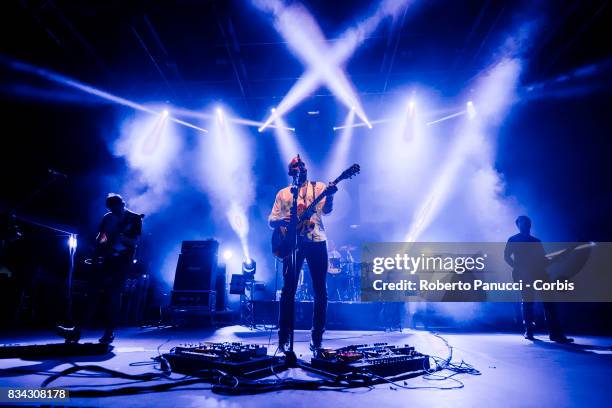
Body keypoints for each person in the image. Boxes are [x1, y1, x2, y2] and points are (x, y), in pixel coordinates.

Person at [269, 155, 337, 352]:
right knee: (288, 289)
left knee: (320, 291)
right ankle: (284, 337)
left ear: (306, 169)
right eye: (296, 166)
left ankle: (317, 337)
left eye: (302, 165)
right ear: (291, 172)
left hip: (317, 241)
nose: (300, 167)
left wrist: (331, 195)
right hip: (292, 244)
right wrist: (284, 221)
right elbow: (271, 221)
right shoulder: (283, 194)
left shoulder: (319, 187)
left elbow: (328, 210)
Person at [504, 215, 573, 343]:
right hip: (524, 276)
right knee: (528, 302)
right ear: (518, 225)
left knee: (549, 302)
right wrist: (518, 269)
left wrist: (556, 259)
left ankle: (555, 334)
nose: (525, 224)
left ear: (530, 225)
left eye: (527, 222)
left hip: (540, 274)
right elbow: (507, 257)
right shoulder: (513, 240)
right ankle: (529, 330)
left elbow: (543, 261)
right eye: (522, 222)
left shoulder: (536, 241)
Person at [92, 193, 142, 344]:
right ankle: (79, 328)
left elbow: (135, 242)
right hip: (107, 258)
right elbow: (101, 237)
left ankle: (109, 330)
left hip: (123, 259)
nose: (115, 212)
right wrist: (101, 243)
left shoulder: (134, 218)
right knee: (95, 291)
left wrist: (120, 238)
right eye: (112, 210)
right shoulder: (107, 218)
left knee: (115, 293)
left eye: (117, 208)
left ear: (122, 204)